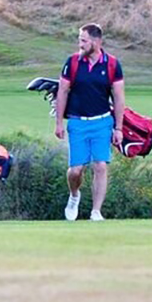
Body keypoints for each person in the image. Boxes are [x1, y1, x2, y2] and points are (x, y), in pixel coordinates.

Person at [53, 23, 124, 221]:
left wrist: (119, 128)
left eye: (84, 40)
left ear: (96, 41)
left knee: (100, 165)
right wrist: (59, 123)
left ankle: (95, 211)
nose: (80, 44)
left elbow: (118, 97)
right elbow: (62, 91)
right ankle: (74, 196)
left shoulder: (112, 64)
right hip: (77, 122)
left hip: (102, 122)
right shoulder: (73, 62)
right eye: (80, 40)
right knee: (76, 170)